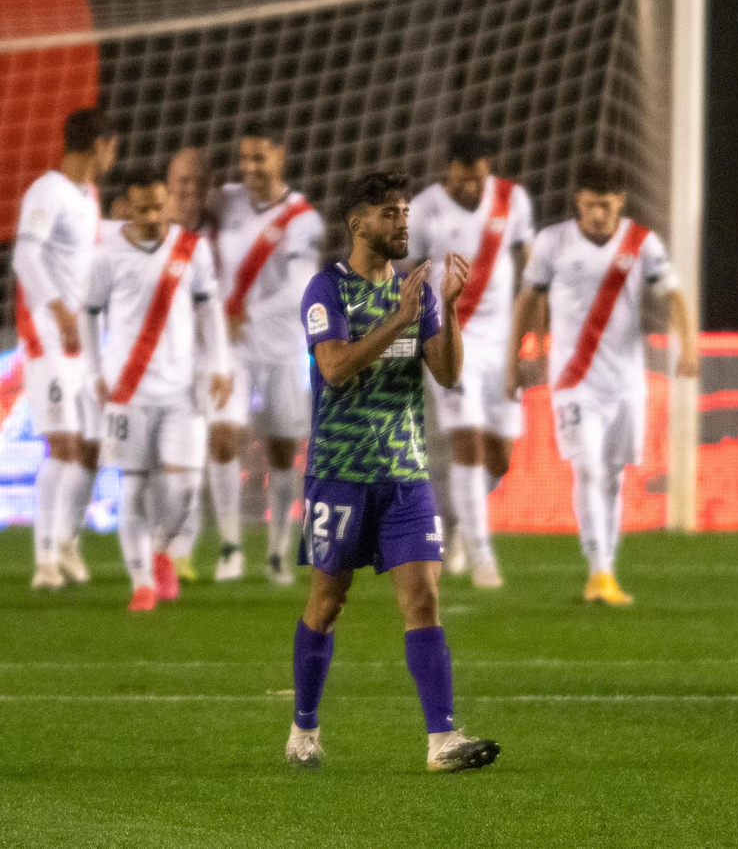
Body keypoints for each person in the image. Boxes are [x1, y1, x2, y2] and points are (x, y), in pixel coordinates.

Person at [286, 170, 499, 772]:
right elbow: (334, 369)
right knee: (328, 601)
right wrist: (399, 320)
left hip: (405, 473)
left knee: (423, 598)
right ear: (358, 224)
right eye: (389, 213)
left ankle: (442, 741)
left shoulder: (419, 293)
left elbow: (449, 374)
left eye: (405, 212)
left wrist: (447, 310)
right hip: (339, 474)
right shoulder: (326, 290)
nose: (403, 222)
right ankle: (304, 726)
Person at [506, 160, 699, 606]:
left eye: (607, 206)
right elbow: (528, 300)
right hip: (575, 380)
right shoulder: (553, 243)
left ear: (621, 202)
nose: (598, 215)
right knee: (588, 467)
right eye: (592, 205)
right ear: (578, 200)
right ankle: (599, 570)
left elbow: (672, 293)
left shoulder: (641, 242)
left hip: (626, 382)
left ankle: (607, 569)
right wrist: (517, 358)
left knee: (612, 475)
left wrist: (687, 346)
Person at [81, 168, 231, 611]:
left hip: (182, 390)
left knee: (185, 488)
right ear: (125, 208)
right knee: (134, 487)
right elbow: (88, 314)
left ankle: (162, 550)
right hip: (128, 391)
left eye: (158, 205)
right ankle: (142, 582)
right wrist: (94, 373)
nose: (152, 215)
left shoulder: (191, 248)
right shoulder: (105, 255)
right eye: (142, 207)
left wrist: (220, 365)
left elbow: (210, 309)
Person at [405, 132, 536, 589]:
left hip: (502, 346)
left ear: (488, 170)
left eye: (478, 178)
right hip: (450, 342)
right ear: (448, 172)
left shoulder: (513, 200)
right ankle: (482, 557)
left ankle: (459, 520)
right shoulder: (425, 209)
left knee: (501, 457)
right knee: (468, 442)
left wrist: (535, 334)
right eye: (462, 179)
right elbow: (404, 271)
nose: (470, 187)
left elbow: (532, 269)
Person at [206, 121, 325, 584]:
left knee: (281, 450)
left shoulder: (303, 219)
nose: (251, 168)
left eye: (260, 158)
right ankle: (231, 547)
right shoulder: (228, 200)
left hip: (281, 348)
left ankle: (277, 550)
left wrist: (245, 313)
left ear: (281, 155)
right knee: (223, 437)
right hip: (231, 348)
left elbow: (300, 289)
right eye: (245, 159)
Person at [13, 107, 116, 590]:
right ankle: (45, 561)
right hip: (46, 339)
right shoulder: (47, 191)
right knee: (63, 448)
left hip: (80, 342)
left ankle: (65, 542)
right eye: (113, 146)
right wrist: (57, 312)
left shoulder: (89, 195)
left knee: (88, 448)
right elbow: (25, 255)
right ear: (100, 145)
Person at [146, 148, 217, 581]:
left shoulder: (220, 233)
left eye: (195, 183)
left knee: (190, 465)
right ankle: (160, 550)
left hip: (205, 363)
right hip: (149, 368)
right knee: (153, 465)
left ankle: (178, 549)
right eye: (179, 185)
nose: (187, 192)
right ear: (166, 193)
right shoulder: (145, 239)